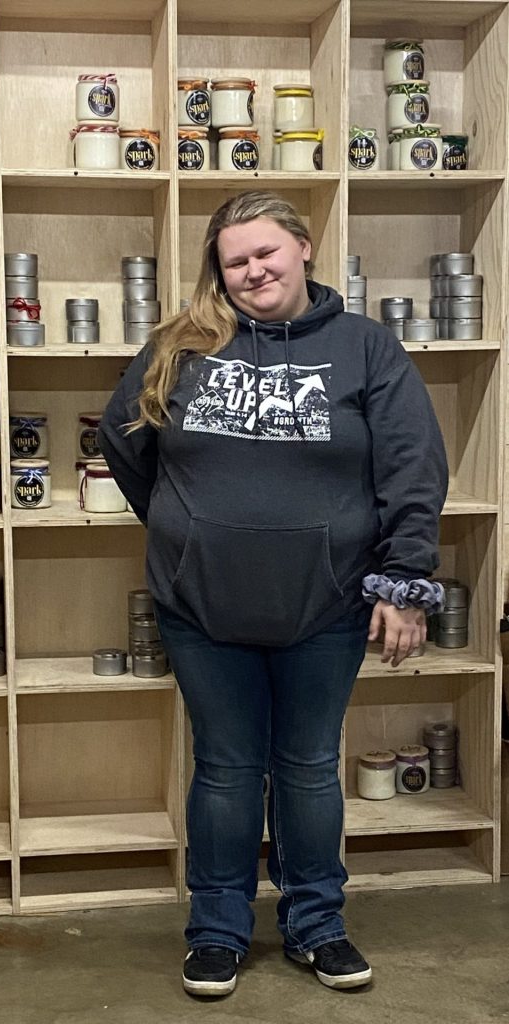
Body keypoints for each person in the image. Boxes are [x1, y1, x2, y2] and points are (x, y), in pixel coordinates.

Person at [98, 190, 448, 997]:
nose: (253, 270)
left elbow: (411, 466)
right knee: (225, 768)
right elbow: (123, 439)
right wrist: (183, 525)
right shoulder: (181, 345)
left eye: (265, 252)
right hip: (200, 606)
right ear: (217, 272)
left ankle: (316, 925)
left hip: (326, 605)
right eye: (234, 261)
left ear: (302, 247)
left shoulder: (365, 348)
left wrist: (404, 582)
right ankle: (216, 931)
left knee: (308, 768)